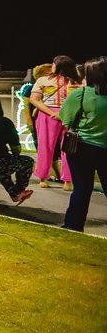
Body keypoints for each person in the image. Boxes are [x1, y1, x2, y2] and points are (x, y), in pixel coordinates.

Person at [60, 56, 107, 232]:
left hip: (81, 147)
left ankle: (74, 225)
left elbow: (66, 120)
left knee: (81, 188)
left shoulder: (80, 94)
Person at [31, 56, 80, 190]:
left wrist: (55, 113)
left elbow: (35, 99)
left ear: (58, 66)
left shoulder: (74, 81)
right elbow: (34, 99)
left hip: (55, 116)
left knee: (56, 147)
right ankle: (57, 179)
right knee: (59, 147)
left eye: (53, 64)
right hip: (61, 116)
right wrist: (57, 112)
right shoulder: (76, 82)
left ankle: (56, 179)